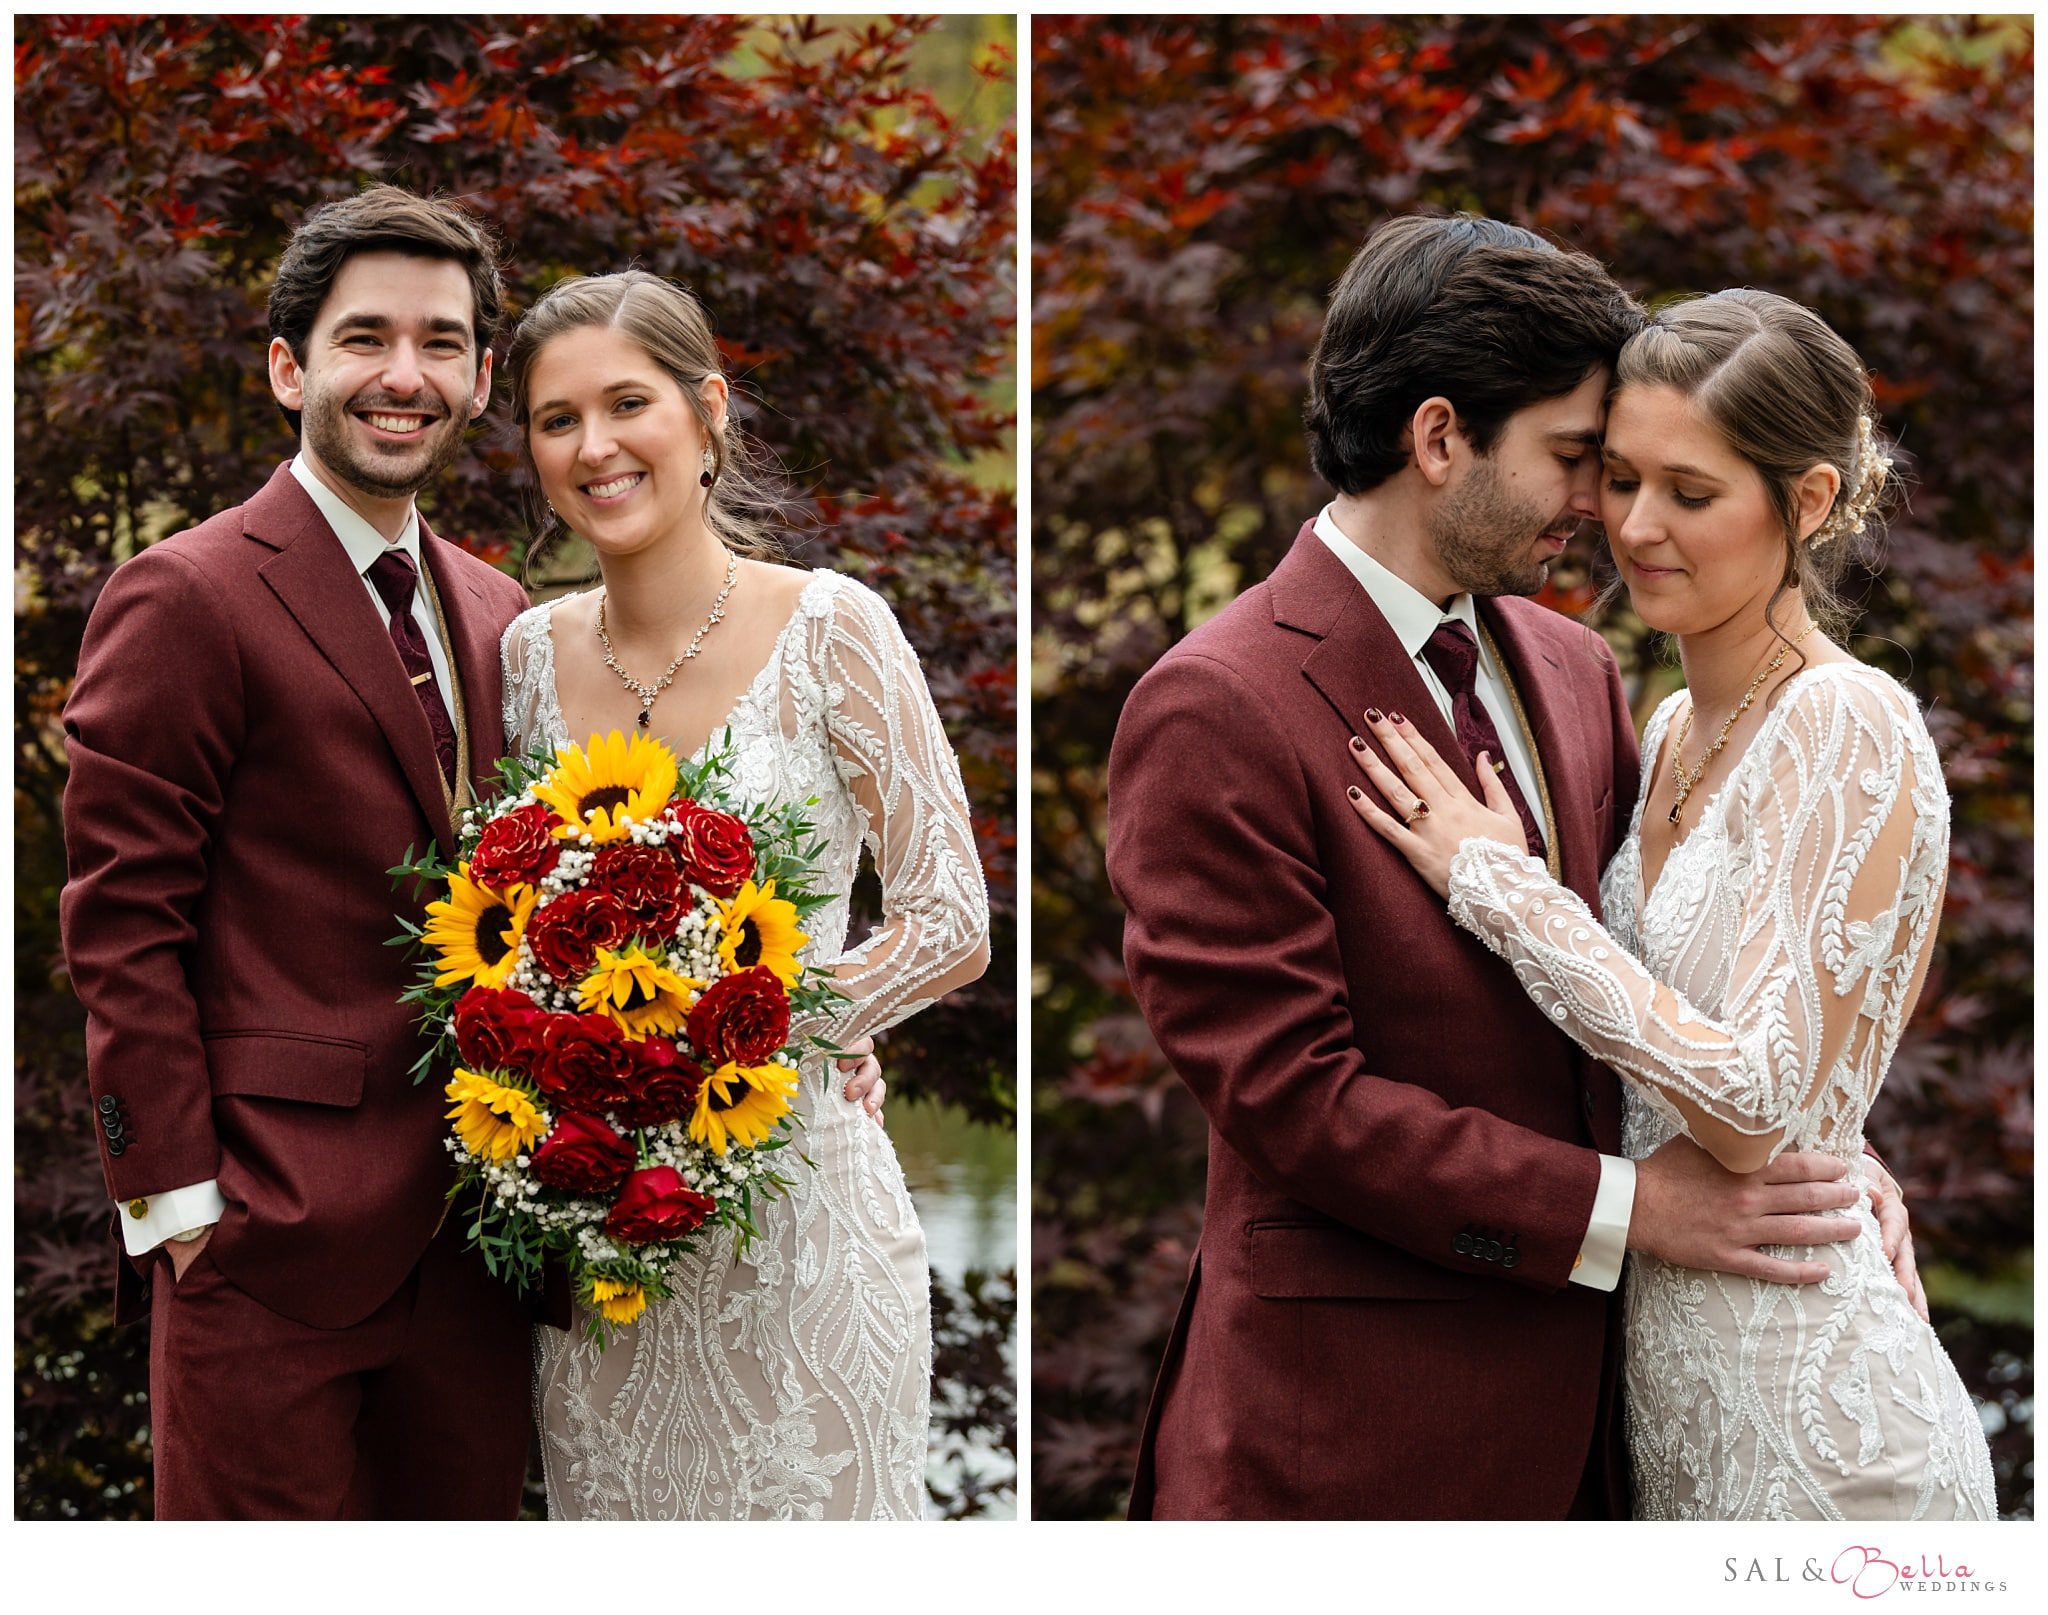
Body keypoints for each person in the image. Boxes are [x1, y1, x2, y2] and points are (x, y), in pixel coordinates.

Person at [60, 188, 887, 1519]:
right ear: (291, 366)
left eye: (442, 343)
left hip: (488, 1253)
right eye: (367, 337)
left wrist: (804, 1020)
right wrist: (176, 1201)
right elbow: (121, 921)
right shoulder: (188, 593)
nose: (407, 374)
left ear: (480, 376)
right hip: (266, 1247)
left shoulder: (503, 613)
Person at [1104, 215, 1923, 1520]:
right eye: (1573, 460)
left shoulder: (1577, 669)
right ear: (1440, 441)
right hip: (1347, 1444)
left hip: (1614, 1437)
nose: (1605, 509)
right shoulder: (1218, 702)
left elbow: (1652, 973)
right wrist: (1634, 1207)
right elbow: (1296, 1099)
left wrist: (1819, 1140)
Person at [1346, 288, 1996, 1520]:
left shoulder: (1846, 720)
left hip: (1823, 1431)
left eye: (1689, 494)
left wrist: (1498, 882)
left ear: (1803, 503)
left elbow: (1754, 1106)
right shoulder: (1667, 725)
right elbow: (1736, 1039)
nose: (1635, 527)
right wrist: (1842, 1140)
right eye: (1621, 478)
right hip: (1669, 1401)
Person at [499, 269, 992, 1519]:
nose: (594, 447)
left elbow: (948, 921)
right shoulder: (522, 657)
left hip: (807, 1232)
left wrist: (760, 1025)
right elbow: (497, 940)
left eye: (627, 404)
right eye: (557, 421)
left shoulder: (834, 627)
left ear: (708, 412)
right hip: (604, 1247)